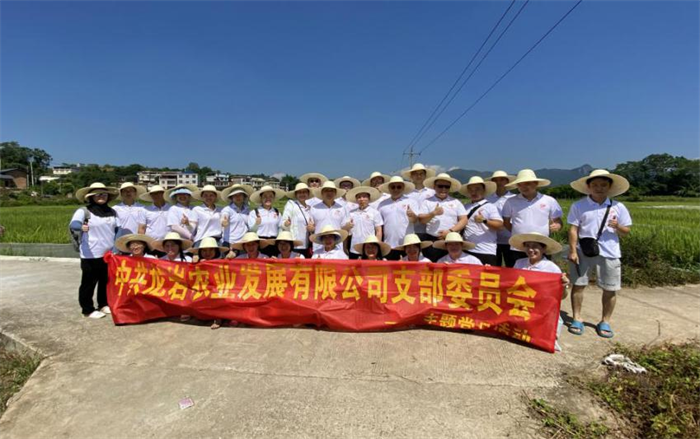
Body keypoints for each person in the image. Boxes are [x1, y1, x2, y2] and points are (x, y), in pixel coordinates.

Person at [567, 169, 632, 339]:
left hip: (610, 252)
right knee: (578, 285)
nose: (599, 188)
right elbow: (573, 229)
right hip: (583, 251)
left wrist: (617, 226)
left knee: (610, 288)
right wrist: (572, 250)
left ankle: (605, 321)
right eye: (595, 185)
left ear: (609, 187)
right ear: (588, 187)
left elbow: (626, 231)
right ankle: (576, 318)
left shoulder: (618, 207)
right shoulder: (578, 206)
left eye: (603, 185)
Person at [509, 232, 570, 351]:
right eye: (528, 246)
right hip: (521, 306)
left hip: (542, 309)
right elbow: (509, 284)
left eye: (535, 246)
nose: (530, 250)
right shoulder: (519, 263)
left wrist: (564, 286)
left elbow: (561, 296)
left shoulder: (551, 268)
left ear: (543, 249)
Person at [70, 182, 120, 319]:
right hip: (90, 253)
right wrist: (80, 227)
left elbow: (118, 229)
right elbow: (74, 223)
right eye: (97, 194)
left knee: (105, 281)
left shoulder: (112, 212)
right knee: (89, 282)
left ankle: (103, 304)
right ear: (91, 197)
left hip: (108, 253)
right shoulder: (84, 211)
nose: (101, 196)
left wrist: (116, 247)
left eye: (104, 194)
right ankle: (87, 309)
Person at [502, 169, 563, 267]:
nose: (523, 187)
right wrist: (518, 234)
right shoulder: (510, 201)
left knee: (542, 271)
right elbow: (506, 222)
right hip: (519, 247)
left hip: (542, 246)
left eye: (527, 183)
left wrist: (558, 225)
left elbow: (558, 220)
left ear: (536, 183)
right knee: (518, 272)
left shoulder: (549, 200)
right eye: (520, 184)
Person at [419, 173, 468, 262]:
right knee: (433, 266)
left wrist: (450, 231)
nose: (443, 189)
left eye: (446, 187)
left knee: (451, 265)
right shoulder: (427, 201)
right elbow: (422, 220)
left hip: (451, 240)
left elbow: (464, 220)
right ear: (434, 186)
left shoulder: (456, 202)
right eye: (440, 186)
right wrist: (433, 213)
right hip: (432, 240)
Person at [460, 176, 504, 266]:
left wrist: (485, 221)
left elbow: (500, 226)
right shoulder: (465, 207)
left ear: (484, 190)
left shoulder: (490, 207)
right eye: (471, 190)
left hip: (485, 250)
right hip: (467, 249)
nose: (474, 192)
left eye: (477, 189)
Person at [189, 236, 229, 329]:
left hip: (218, 290)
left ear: (216, 251)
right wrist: (196, 264)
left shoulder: (221, 263)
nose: (207, 253)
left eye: (211, 250)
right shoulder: (197, 263)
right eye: (204, 250)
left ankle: (218, 318)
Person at [376, 176, 419, 260]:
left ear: (403, 188)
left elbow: (415, 221)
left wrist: (412, 216)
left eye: (399, 187)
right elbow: (379, 225)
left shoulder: (411, 202)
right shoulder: (382, 204)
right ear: (389, 188)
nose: (396, 189)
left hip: (407, 245)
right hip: (389, 245)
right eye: (393, 187)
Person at [309, 181, 351, 253]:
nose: (329, 193)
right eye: (326, 191)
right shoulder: (314, 208)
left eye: (331, 191)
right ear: (322, 193)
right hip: (319, 246)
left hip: (337, 246)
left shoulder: (341, 208)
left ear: (335, 193)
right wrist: (310, 228)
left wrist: (345, 248)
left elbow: (344, 230)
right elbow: (311, 228)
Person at [486, 171, 516, 266]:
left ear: (507, 182)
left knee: (512, 266)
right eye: (495, 180)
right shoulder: (487, 199)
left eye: (502, 180)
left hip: (511, 239)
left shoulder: (514, 198)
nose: (499, 182)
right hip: (492, 239)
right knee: (495, 267)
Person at [345, 186, 384, 260]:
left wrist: (377, 246)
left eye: (364, 197)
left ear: (369, 198)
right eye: (359, 197)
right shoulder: (351, 213)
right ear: (356, 199)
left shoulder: (375, 213)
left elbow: (378, 231)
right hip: (354, 248)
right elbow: (347, 232)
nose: (361, 199)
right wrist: (345, 247)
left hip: (369, 249)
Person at [402, 163, 436, 243]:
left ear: (425, 175)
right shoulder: (406, 193)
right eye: (415, 174)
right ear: (411, 176)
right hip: (411, 230)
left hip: (429, 231)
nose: (419, 176)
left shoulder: (432, 192)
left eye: (421, 174)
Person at [248, 185, 286, 257]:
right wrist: (256, 224)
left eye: (270, 196)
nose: (268, 198)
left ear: (273, 198)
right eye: (265, 196)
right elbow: (251, 230)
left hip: (274, 243)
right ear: (261, 198)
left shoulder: (277, 212)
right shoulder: (254, 212)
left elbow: (280, 228)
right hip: (260, 243)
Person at [280, 183, 315, 258]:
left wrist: (312, 228)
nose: (302, 194)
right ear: (296, 194)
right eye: (299, 192)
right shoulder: (291, 205)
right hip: (294, 244)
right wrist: (286, 223)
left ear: (308, 194)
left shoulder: (309, 208)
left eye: (304, 192)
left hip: (306, 244)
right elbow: (283, 223)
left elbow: (312, 225)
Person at [220, 184, 254, 258]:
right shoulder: (227, 209)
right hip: (230, 243)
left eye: (240, 195)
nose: (238, 197)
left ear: (244, 196)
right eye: (235, 195)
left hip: (244, 243)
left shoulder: (247, 209)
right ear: (231, 197)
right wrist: (224, 222)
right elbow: (224, 217)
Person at [140, 185, 171, 256]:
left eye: (158, 193)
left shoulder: (171, 208)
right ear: (150, 196)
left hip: (168, 244)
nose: (156, 195)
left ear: (163, 194)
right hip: (151, 245)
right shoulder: (145, 209)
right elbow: (141, 228)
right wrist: (143, 244)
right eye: (153, 194)